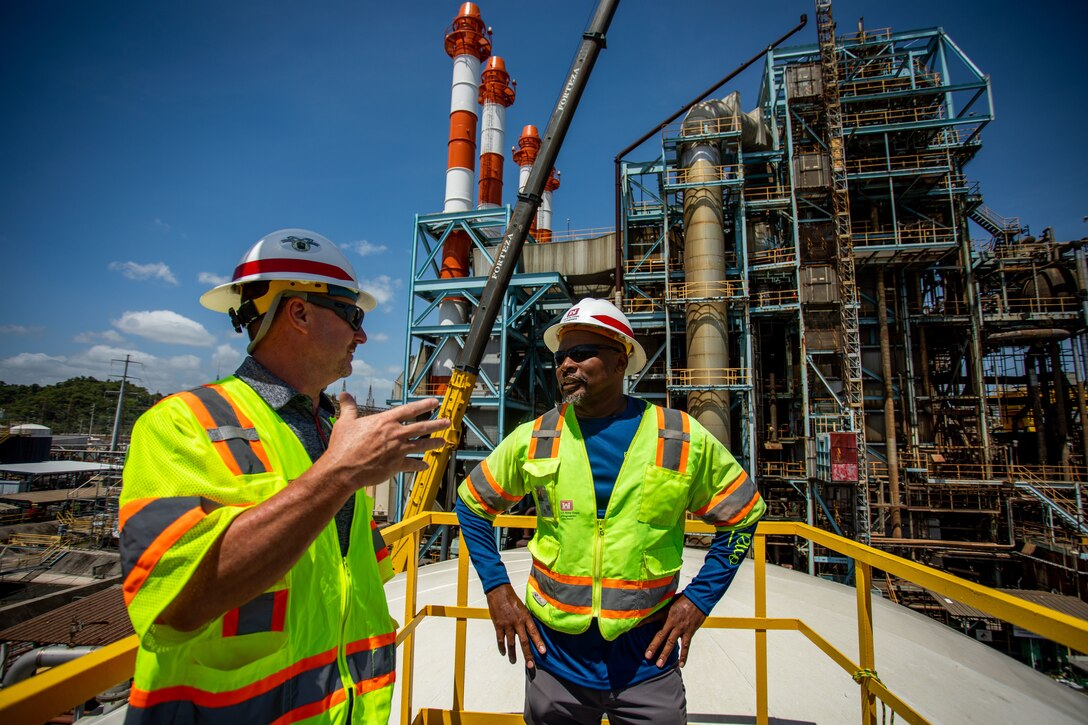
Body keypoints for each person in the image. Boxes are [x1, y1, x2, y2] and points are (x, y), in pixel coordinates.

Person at [119, 229, 448, 723]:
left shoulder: (332, 430)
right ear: (299, 313)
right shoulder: (181, 424)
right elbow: (176, 607)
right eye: (353, 316)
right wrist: (339, 475)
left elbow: (343, 581)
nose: (361, 335)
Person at [455, 298, 765, 724]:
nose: (566, 364)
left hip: (646, 661)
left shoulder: (677, 436)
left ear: (621, 361)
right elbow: (471, 504)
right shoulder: (537, 436)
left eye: (581, 353)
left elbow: (742, 514)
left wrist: (698, 600)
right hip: (554, 661)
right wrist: (496, 588)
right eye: (562, 356)